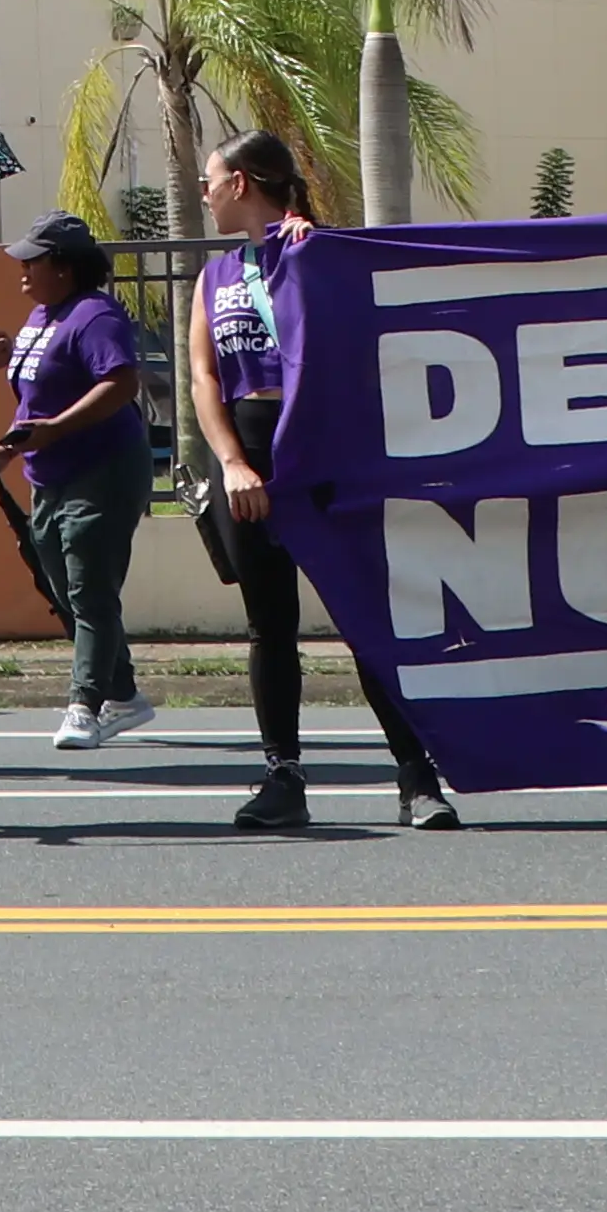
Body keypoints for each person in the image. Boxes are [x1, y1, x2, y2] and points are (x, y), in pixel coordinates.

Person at [192, 127, 470, 837]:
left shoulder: (317, 255)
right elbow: (203, 378)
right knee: (270, 628)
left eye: (211, 179)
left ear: (242, 184)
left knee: (362, 620)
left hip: (322, 452)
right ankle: (282, 775)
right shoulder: (213, 275)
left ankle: (417, 777)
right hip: (250, 457)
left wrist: (313, 249)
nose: (204, 192)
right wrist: (231, 462)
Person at [0, 210, 162, 751]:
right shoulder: (43, 316)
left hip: (102, 472)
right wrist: (5, 448)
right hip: (50, 474)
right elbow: (40, 396)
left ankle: (84, 704)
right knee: (69, 592)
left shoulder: (94, 315)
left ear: (63, 267)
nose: (21, 270)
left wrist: (57, 430)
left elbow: (120, 381)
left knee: (89, 590)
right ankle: (126, 695)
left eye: (32, 260)